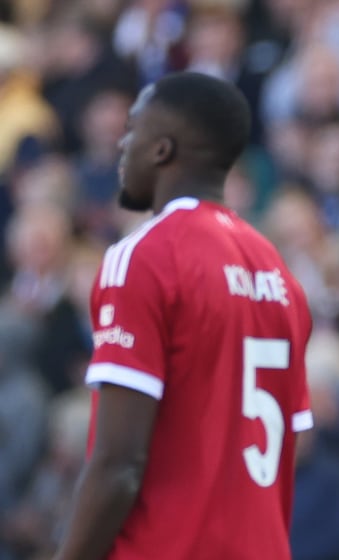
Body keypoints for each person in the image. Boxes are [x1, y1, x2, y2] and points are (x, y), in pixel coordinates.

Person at [54, 72, 313, 560]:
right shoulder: (280, 276)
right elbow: (287, 450)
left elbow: (118, 464)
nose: (121, 145)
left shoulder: (144, 256)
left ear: (162, 149)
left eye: (132, 130)